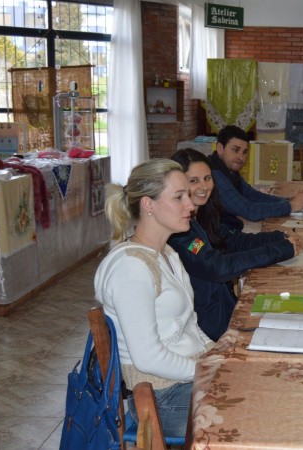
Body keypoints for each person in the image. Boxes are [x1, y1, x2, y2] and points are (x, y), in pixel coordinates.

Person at [94, 159, 214, 437]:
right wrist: (207, 370)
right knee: (251, 411)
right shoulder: (131, 268)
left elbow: (190, 325)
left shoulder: (167, 254)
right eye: (179, 197)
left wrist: (219, 355)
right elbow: (148, 358)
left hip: (184, 381)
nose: (191, 205)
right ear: (148, 205)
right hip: (160, 398)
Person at [168, 148, 300, 341]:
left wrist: (281, 238)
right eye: (194, 181)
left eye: (207, 178)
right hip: (207, 326)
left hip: (223, 307)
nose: (204, 186)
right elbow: (219, 266)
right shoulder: (180, 233)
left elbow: (235, 241)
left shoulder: (200, 217)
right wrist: (280, 249)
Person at [208, 125, 303, 231]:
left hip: (225, 235)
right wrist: (292, 206)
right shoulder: (213, 175)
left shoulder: (227, 169)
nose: (241, 157)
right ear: (220, 148)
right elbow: (250, 211)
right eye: (236, 150)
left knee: (285, 241)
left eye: (244, 152)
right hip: (208, 243)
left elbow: (253, 195)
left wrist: (287, 200)